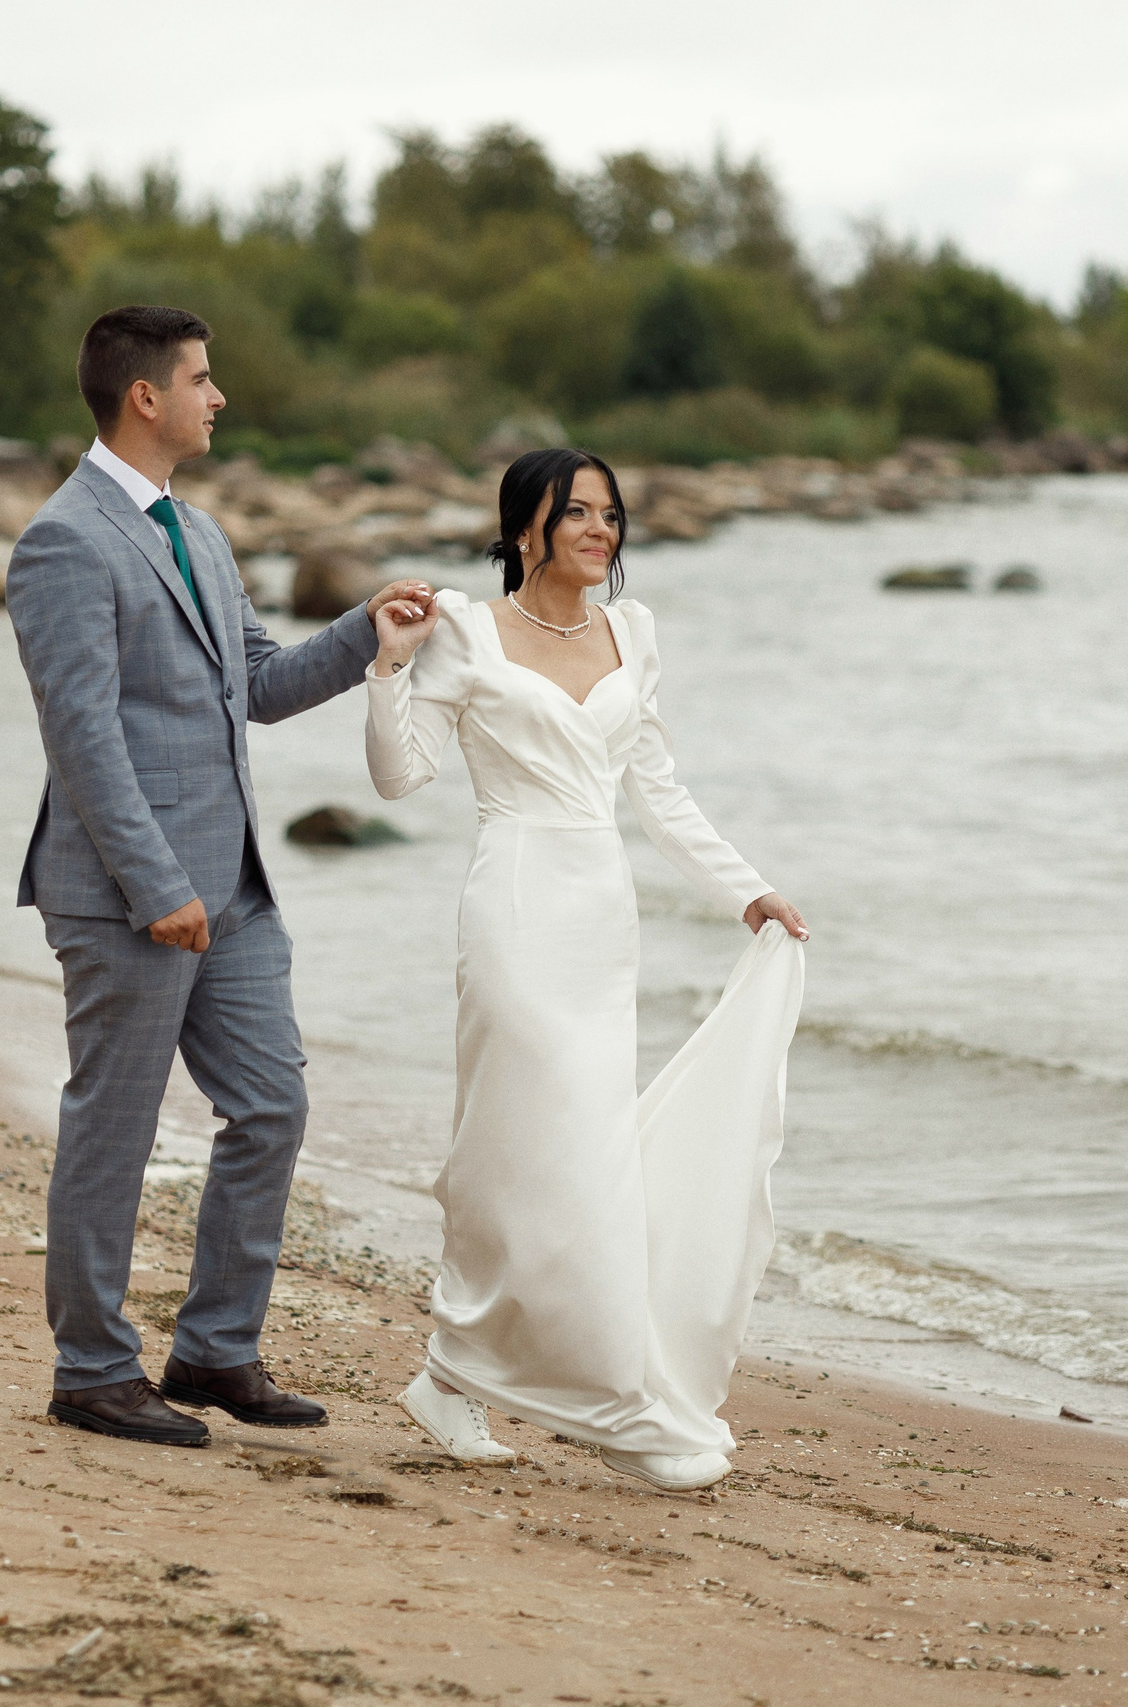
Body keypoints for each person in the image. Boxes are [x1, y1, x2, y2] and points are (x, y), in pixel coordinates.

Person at [5, 304, 432, 1448]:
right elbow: (82, 735)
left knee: (272, 1106)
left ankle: (213, 1350)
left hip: (233, 888)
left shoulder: (197, 529)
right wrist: (154, 887)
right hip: (128, 895)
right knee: (115, 1128)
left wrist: (365, 632)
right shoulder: (63, 540)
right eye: (202, 378)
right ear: (145, 396)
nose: (219, 396)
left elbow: (260, 684)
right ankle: (93, 1371)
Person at [360, 447, 808, 1492]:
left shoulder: (631, 633)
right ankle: (614, 1403)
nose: (601, 530)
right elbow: (398, 777)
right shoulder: (466, 630)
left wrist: (746, 890)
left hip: (602, 916)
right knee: (534, 1147)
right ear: (526, 528)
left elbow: (658, 789)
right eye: (578, 513)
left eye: (610, 514)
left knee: (565, 1146)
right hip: (514, 906)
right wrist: (386, 671)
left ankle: (452, 1374)